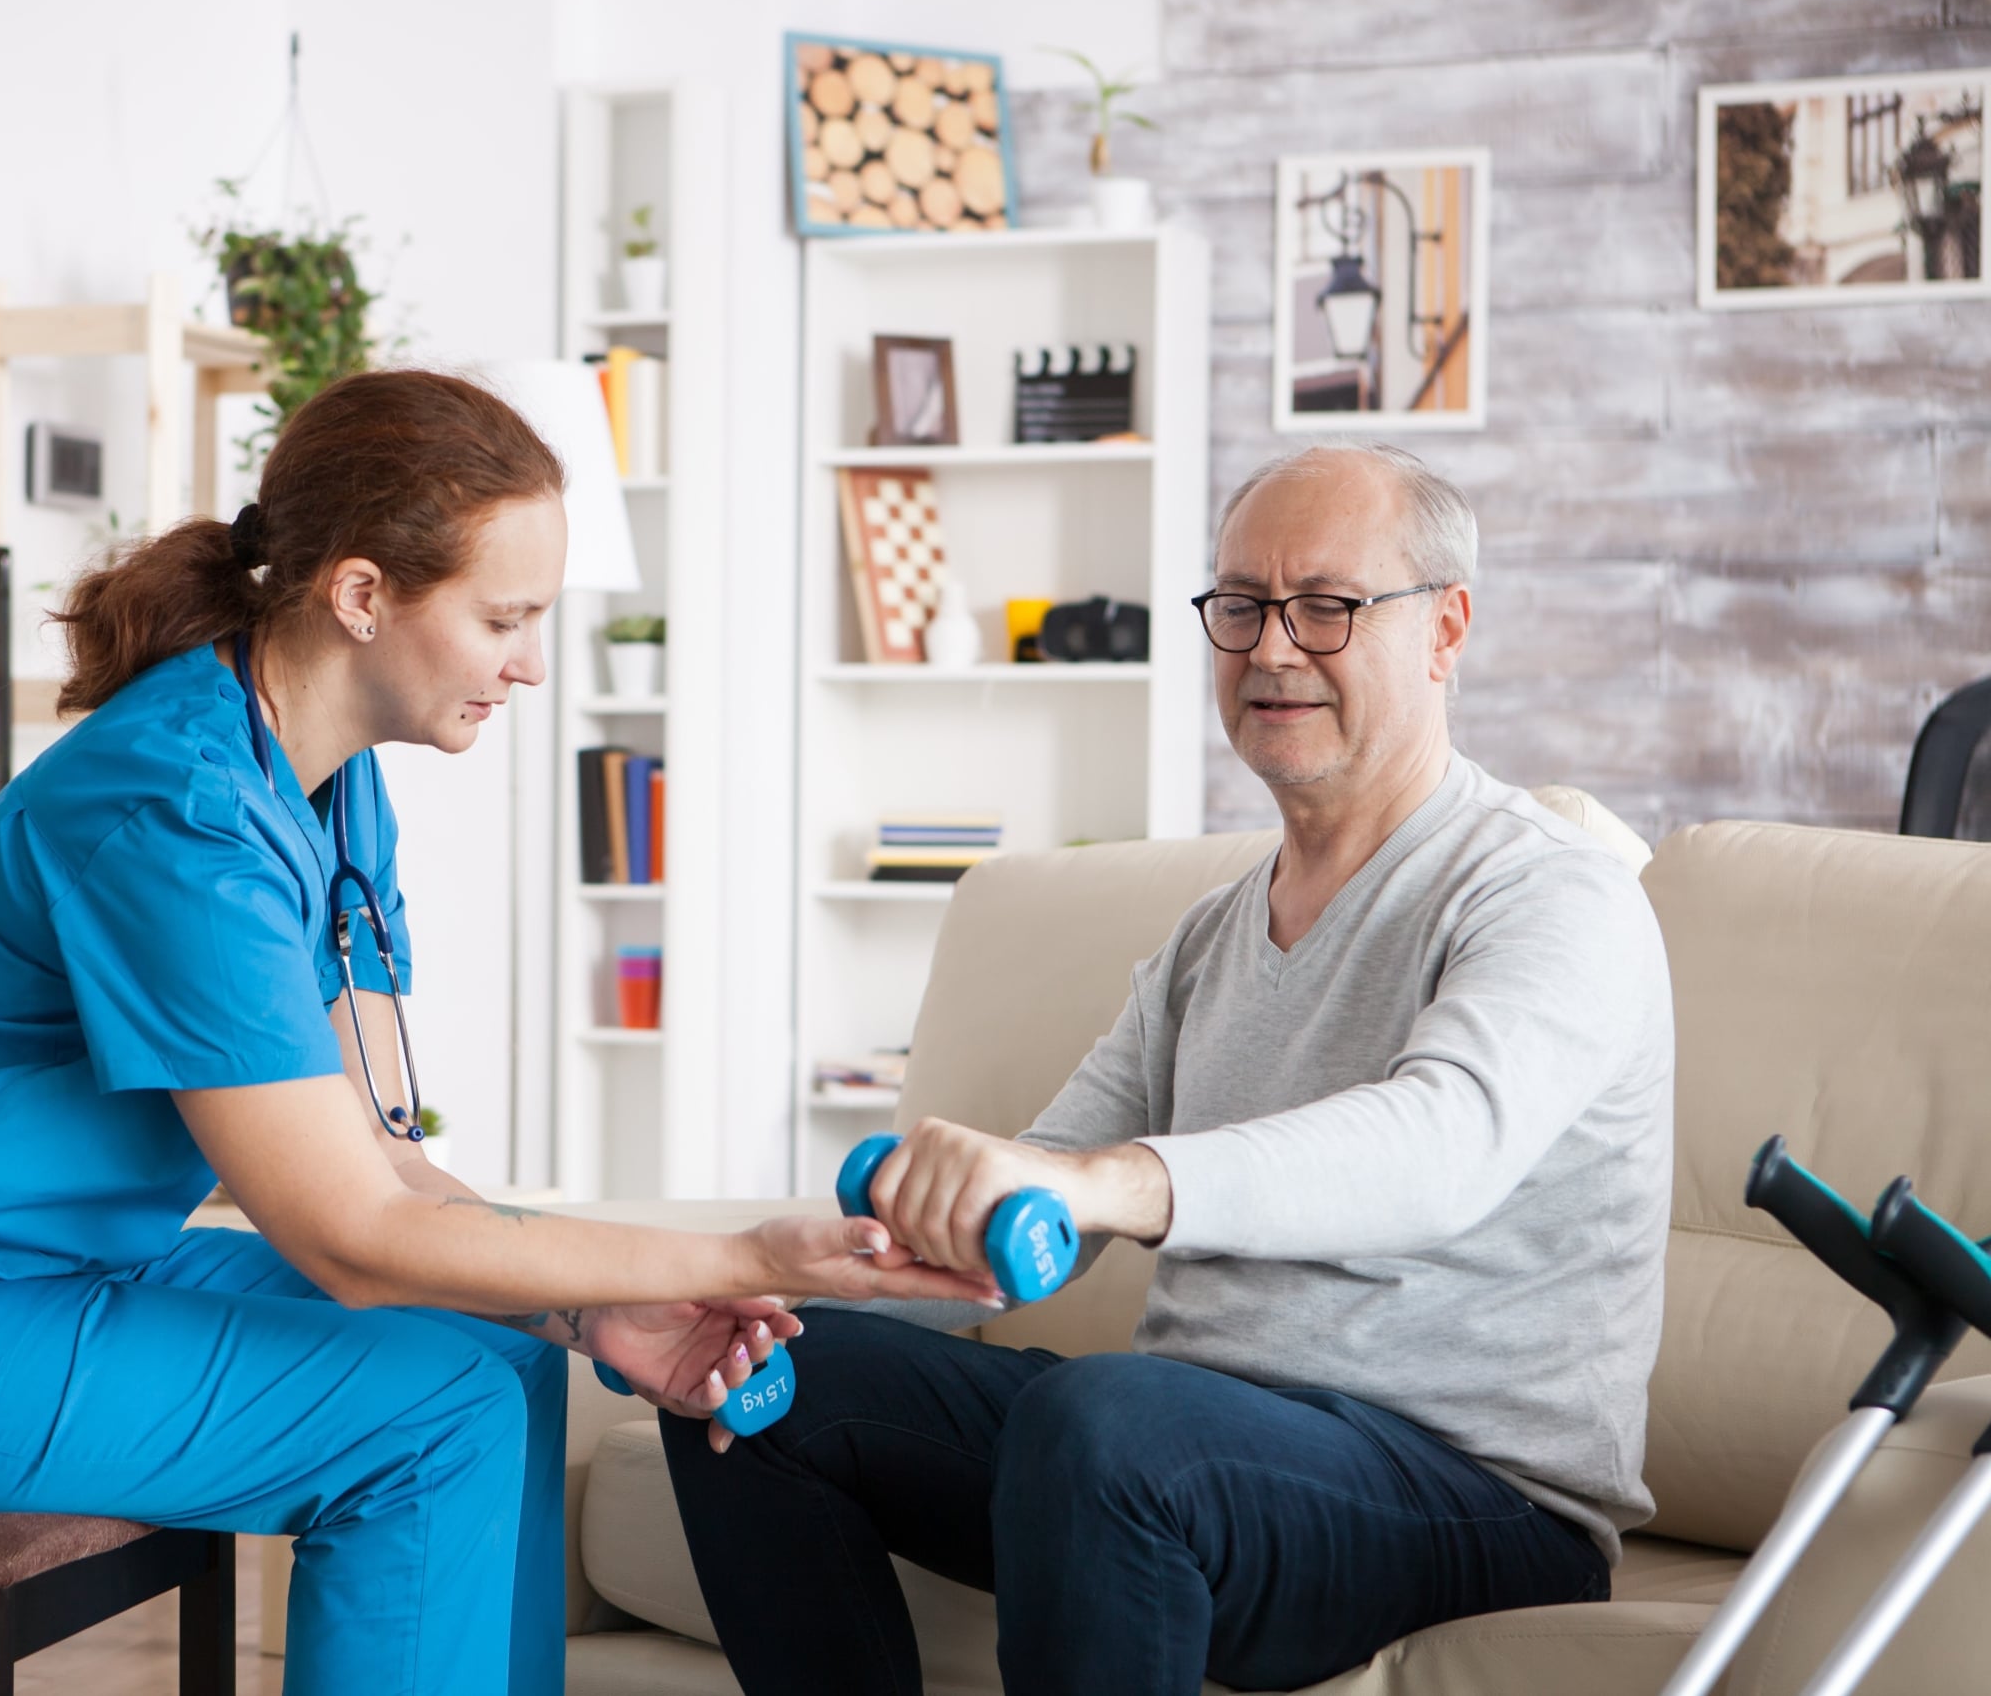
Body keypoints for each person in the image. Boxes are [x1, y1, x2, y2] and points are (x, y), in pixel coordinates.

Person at [0, 369, 997, 1696]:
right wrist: (752, 1250)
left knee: (507, 1355)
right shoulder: (175, 808)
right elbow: (349, 1233)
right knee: (431, 1422)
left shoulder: (334, 789)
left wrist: (590, 1305)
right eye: (506, 616)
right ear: (363, 595)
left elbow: (392, 1161)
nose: (532, 659)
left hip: (31, 1271)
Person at [658, 443, 1675, 1696]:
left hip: (1470, 1496)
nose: (1270, 649)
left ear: (1444, 630)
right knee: (761, 1378)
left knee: (1114, 1422)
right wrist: (747, 1288)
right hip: (1191, 1455)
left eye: (1326, 606)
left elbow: (1441, 1144)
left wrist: (1113, 1184)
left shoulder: (1544, 892)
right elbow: (1025, 1211)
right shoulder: (1209, 937)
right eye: (1240, 605)